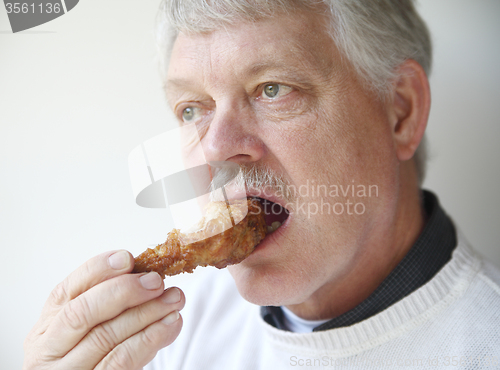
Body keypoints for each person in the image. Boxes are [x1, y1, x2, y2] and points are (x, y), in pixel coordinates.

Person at [23, 0, 500, 369]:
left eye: (272, 88)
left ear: (401, 112)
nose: (214, 149)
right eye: (193, 109)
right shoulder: (165, 332)